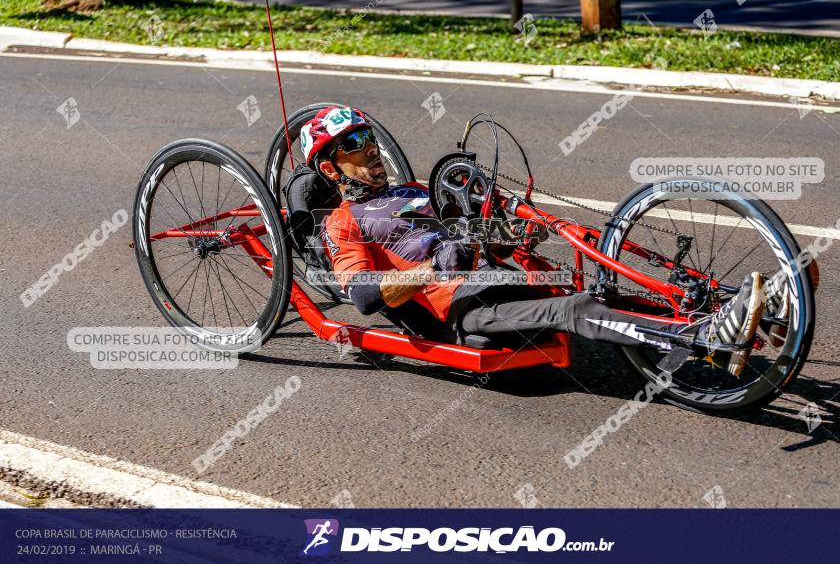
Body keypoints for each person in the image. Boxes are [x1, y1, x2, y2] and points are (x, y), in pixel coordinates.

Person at [298, 106, 768, 376]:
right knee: (577, 310)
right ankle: (709, 339)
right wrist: (435, 269)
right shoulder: (343, 223)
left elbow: (483, 240)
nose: (371, 150)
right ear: (329, 167)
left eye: (368, 137)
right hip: (466, 310)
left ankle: (732, 309)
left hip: (501, 277)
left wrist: (510, 237)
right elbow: (361, 296)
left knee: (601, 291)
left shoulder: (417, 191)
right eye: (353, 144)